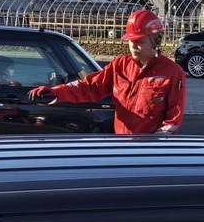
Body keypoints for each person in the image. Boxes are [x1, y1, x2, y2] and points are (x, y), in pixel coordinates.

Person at [28, 9, 186, 134]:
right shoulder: (119, 65)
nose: (133, 46)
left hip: (150, 153)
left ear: (156, 41)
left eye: (139, 41)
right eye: (131, 41)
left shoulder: (172, 73)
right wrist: (57, 92)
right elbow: (89, 87)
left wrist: (156, 146)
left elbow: (173, 119)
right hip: (121, 147)